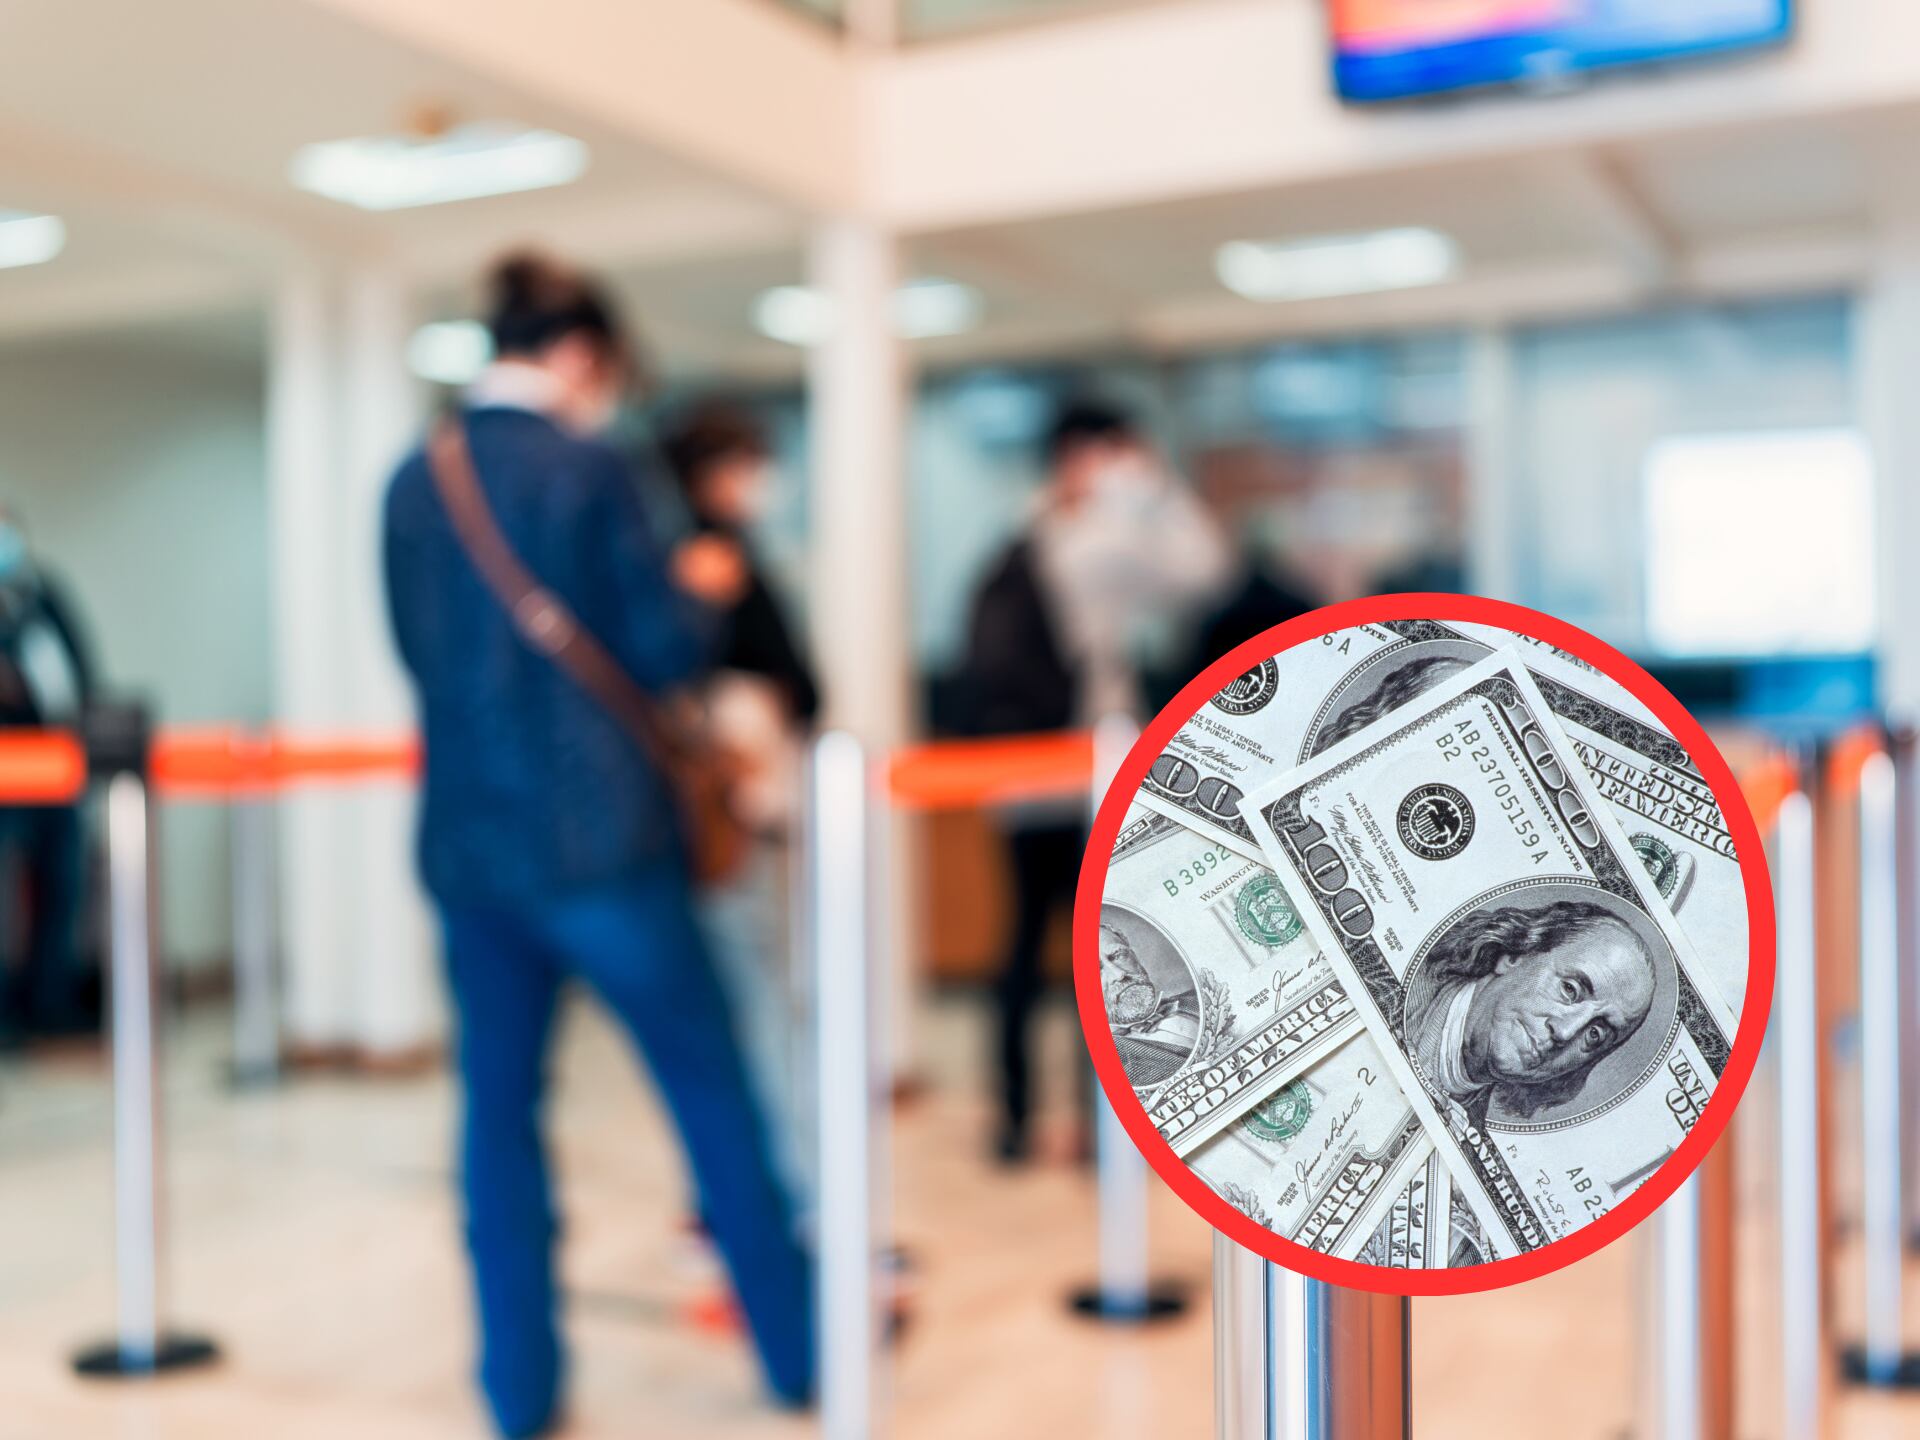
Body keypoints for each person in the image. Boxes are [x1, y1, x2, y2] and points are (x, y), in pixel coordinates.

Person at [382, 253, 811, 1437]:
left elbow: (423, 660)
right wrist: (708, 582)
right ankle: (796, 1354)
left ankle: (517, 1392)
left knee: (496, 1123)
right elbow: (662, 652)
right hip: (606, 848)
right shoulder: (593, 469)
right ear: (578, 355)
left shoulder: (413, 482)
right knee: (712, 1097)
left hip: (472, 854)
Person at [959, 397, 1227, 1161]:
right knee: (1098, 953)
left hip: (1017, 779)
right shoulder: (1098, 544)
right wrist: (1156, 492)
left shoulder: (1020, 534)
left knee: (1018, 945)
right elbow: (1208, 573)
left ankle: (1011, 1122)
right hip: (1084, 771)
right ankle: (1093, 1127)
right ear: (1094, 456)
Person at [660, 400, 819, 1199]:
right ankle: (773, 1190)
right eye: (745, 464)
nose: (759, 482)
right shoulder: (700, 558)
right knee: (753, 1003)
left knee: (761, 997)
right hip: (729, 815)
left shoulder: (732, 551)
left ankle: (757, 1187)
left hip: (756, 808)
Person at [1405, 899, 1658, 1131]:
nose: (1566, 1031)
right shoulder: (1396, 989)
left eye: (1595, 1034)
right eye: (1570, 989)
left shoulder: (1468, 1137)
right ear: (1515, 955)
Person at [0, 508, 96, 1044]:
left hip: (60, 766)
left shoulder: (43, 593)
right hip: (6, 775)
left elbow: (79, 662)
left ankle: (50, 1003)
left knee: (64, 885)